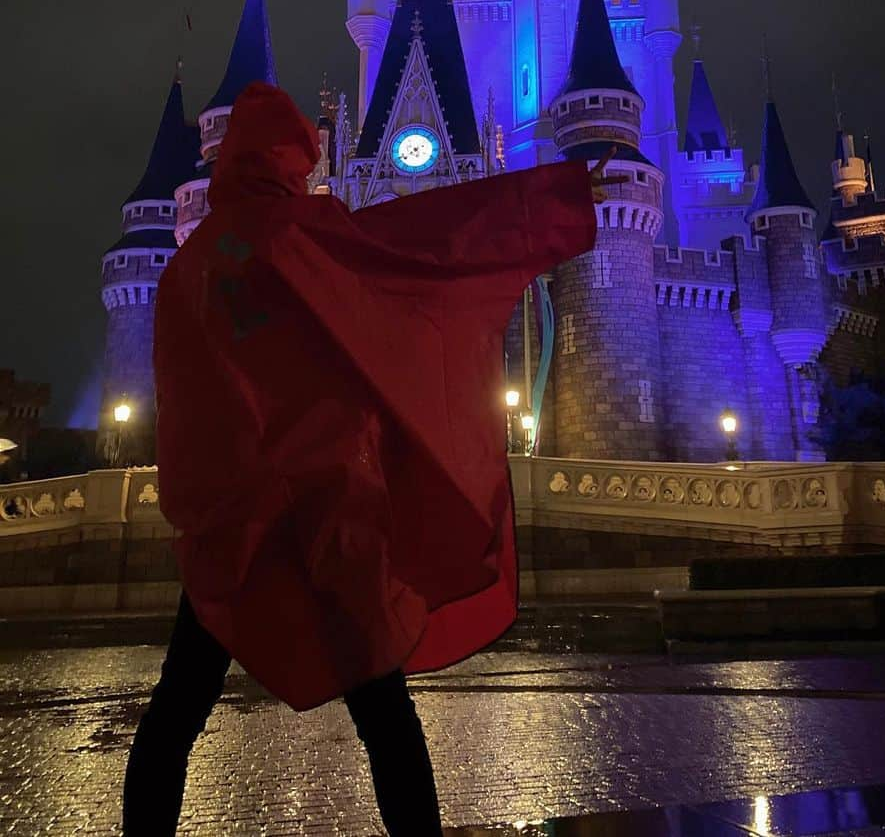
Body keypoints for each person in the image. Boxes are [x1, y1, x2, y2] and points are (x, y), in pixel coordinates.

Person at [123, 81, 612, 835]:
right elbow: (424, 243)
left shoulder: (187, 268)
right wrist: (558, 197)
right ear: (289, 160)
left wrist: (198, 502)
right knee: (384, 713)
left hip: (232, 522)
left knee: (177, 708)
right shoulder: (300, 234)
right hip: (326, 512)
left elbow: (181, 401)